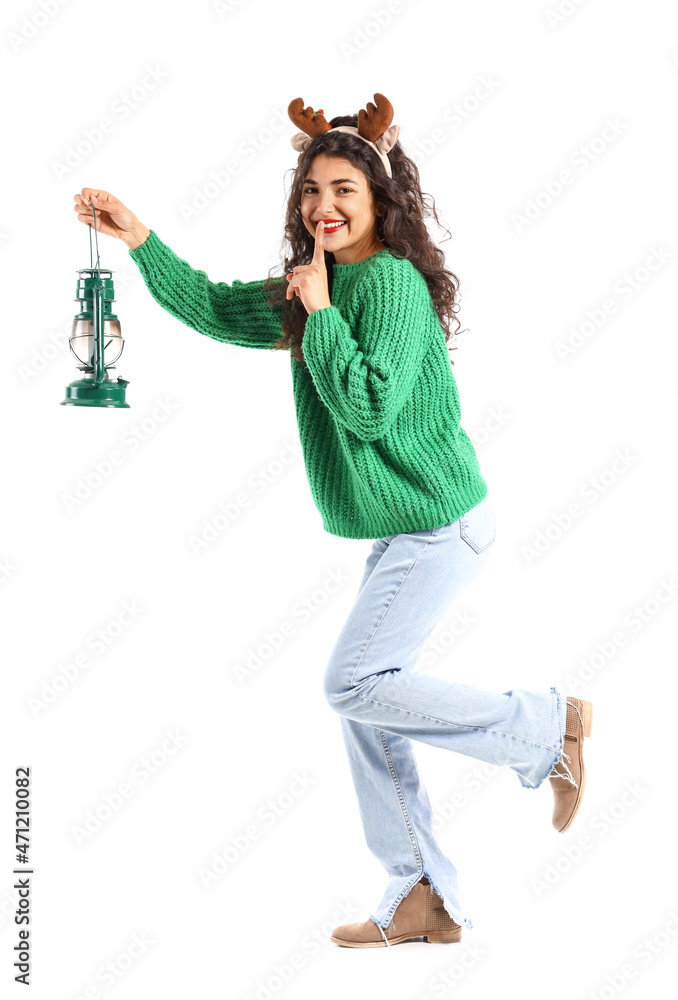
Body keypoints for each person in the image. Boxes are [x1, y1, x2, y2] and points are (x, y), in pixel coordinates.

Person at [73, 92, 592, 950]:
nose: (325, 207)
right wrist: (138, 239)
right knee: (367, 702)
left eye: (345, 189)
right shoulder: (319, 277)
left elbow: (372, 413)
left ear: (379, 199)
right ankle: (419, 889)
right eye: (312, 190)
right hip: (405, 528)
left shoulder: (382, 283)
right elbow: (210, 307)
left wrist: (319, 315)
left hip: (441, 524)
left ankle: (547, 726)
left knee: (351, 683)